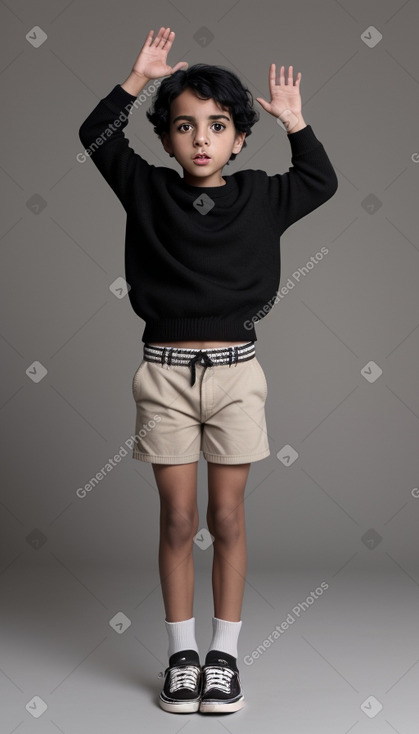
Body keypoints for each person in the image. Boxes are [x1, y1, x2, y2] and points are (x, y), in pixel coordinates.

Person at [78, 26, 338, 714]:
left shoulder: (261, 195)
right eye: (185, 126)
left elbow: (320, 179)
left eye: (217, 126)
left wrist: (295, 120)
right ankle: (182, 656)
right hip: (163, 375)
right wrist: (138, 80)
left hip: (235, 376)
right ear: (165, 138)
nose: (200, 139)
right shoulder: (147, 189)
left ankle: (223, 657)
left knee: (226, 516)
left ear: (238, 138)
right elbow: (96, 134)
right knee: (176, 517)